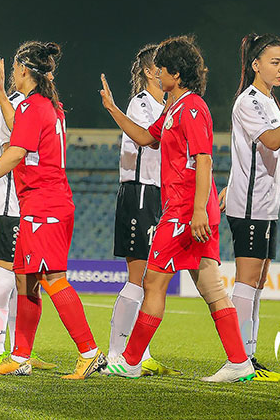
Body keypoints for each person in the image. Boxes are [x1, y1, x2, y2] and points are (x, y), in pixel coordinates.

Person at [100, 35, 254, 382]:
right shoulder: (174, 108)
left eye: (162, 68)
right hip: (187, 209)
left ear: (176, 73)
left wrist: (198, 210)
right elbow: (146, 138)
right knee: (211, 288)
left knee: (153, 281)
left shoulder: (193, 107)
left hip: (186, 211)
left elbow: (204, 159)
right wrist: (112, 109)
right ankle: (239, 362)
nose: (158, 73)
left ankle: (130, 361)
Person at [0, 41, 105, 380]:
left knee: (52, 278)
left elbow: (16, 151)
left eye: (15, 68)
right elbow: (21, 126)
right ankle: (20, 356)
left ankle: (89, 352)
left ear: (25, 70)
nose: (13, 73)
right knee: (26, 280)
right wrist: (1, 94)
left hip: (45, 205)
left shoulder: (32, 106)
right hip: (43, 203)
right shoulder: (48, 107)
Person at [220, 33, 280, 382]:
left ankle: (249, 356)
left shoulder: (269, 101)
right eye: (275, 62)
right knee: (247, 282)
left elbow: (249, 153)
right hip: (249, 207)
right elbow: (272, 141)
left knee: (258, 282)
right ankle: (238, 360)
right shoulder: (249, 101)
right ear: (256, 64)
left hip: (266, 205)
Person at [107, 44, 179, 376]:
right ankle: (116, 353)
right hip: (139, 192)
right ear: (150, 72)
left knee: (149, 279)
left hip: (157, 193)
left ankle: (139, 352)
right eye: (161, 67)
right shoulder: (141, 103)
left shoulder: (164, 104)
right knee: (138, 278)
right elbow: (152, 138)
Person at [0, 57, 55, 370]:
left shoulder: (40, 105)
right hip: (14, 204)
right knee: (7, 277)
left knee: (28, 281)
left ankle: (20, 351)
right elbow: (15, 145)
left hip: (34, 205)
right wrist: (0, 93)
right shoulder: (12, 104)